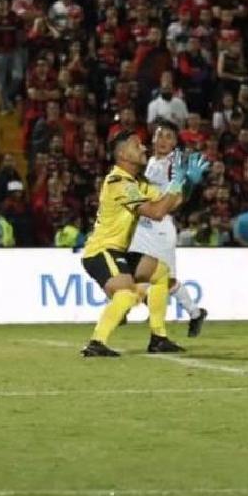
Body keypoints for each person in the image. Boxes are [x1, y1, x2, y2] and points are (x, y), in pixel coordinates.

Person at [79, 130, 188, 357]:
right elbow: (156, 212)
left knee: (161, 274)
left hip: (118, 250)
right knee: (127, 294)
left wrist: (185, 181)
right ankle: (96, 342)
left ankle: (158, 338)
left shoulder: (137, 182)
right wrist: (176, 184)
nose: (144, 149)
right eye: (137, 145)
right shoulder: (119, 182)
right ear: (122, 153)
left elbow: (171, 201)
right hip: (101, 251)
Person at [127, 119, 210, 339]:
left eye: (169, 137)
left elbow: (181, 197)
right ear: (153, 138)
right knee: (145, 276)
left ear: (174, 143)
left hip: (161, 227)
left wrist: (191, 183)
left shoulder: (175, 163)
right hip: (142, 225)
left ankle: (162, 318)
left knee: (153, 277)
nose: (163, 140)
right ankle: (193, 313)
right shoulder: (149, 161)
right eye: (160, 135)